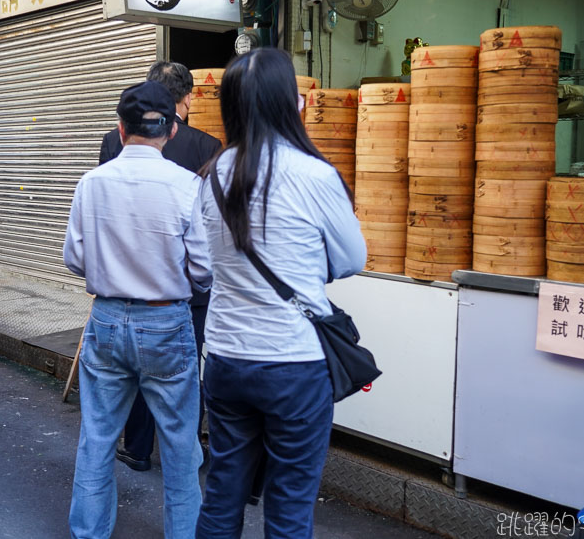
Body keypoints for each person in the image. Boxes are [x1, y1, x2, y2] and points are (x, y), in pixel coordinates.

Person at [194, 48, 366, 538]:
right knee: (289, 505)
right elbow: (352, 259)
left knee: (223, 489)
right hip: (294, 363)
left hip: (226, 357)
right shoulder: (316, 175)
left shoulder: (210, 177)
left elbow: (204, 269)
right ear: (293, 103)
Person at [65, 80, 211, 539]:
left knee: (97, 439)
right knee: (182, 448)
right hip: (167, 321)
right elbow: (204, 269)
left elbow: (73, 258)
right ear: (171, 130)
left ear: (121, 130)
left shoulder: (92, 182)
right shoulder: (188, 184)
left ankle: (89, 533)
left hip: (107, 317)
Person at [99, 61, 221, 472]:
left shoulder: (112, 143)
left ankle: (136, 448)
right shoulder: (207, 146)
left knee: (131, 372)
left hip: (123, 284)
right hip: (185, 287)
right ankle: (186, 450)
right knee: (185, 371)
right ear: (187, 98)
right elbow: (211, 226)